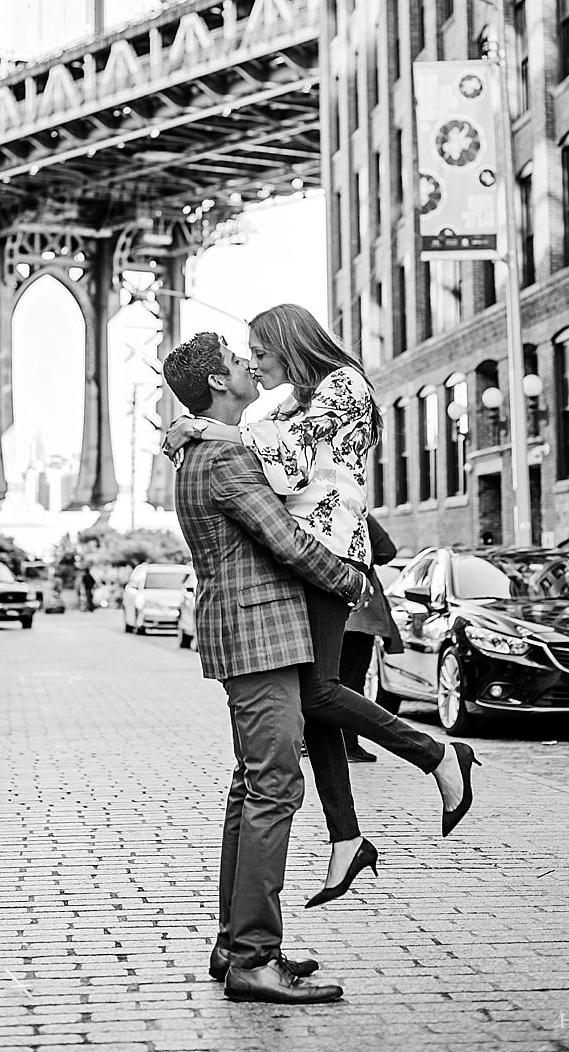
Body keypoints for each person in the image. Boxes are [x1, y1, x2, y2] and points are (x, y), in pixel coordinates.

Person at [165, 304, 480, 907]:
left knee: (315, 694)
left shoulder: (344, 385)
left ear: (288, 342)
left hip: (332, 555)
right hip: (310, 554)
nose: (253, 364)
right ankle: (346, 837)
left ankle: (439, 753)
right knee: (314, 704)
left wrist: (200, 427)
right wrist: (206, 426)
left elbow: (286, 464)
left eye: (258, 351)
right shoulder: (290, 402)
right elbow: (265, 447)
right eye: (245, 356)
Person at [162, 332, 366, 1005]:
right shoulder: (223, 461)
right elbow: (286, 543)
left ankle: (236, 942)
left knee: (251, 786)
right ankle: (253, 956)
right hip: (260, 637)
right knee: (275, 785)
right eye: (238, 358)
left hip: (246, 634)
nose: (251, 363)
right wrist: (348, 578)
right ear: (220, 383)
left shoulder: (205, 446)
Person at [338, 514, 404, 764]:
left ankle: (316, 742)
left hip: (322, 609)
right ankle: (349, 744)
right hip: (358, 612)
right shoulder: (356, 510)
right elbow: (387, 550)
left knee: (322, 682)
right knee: (351, 683)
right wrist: (363, 556)